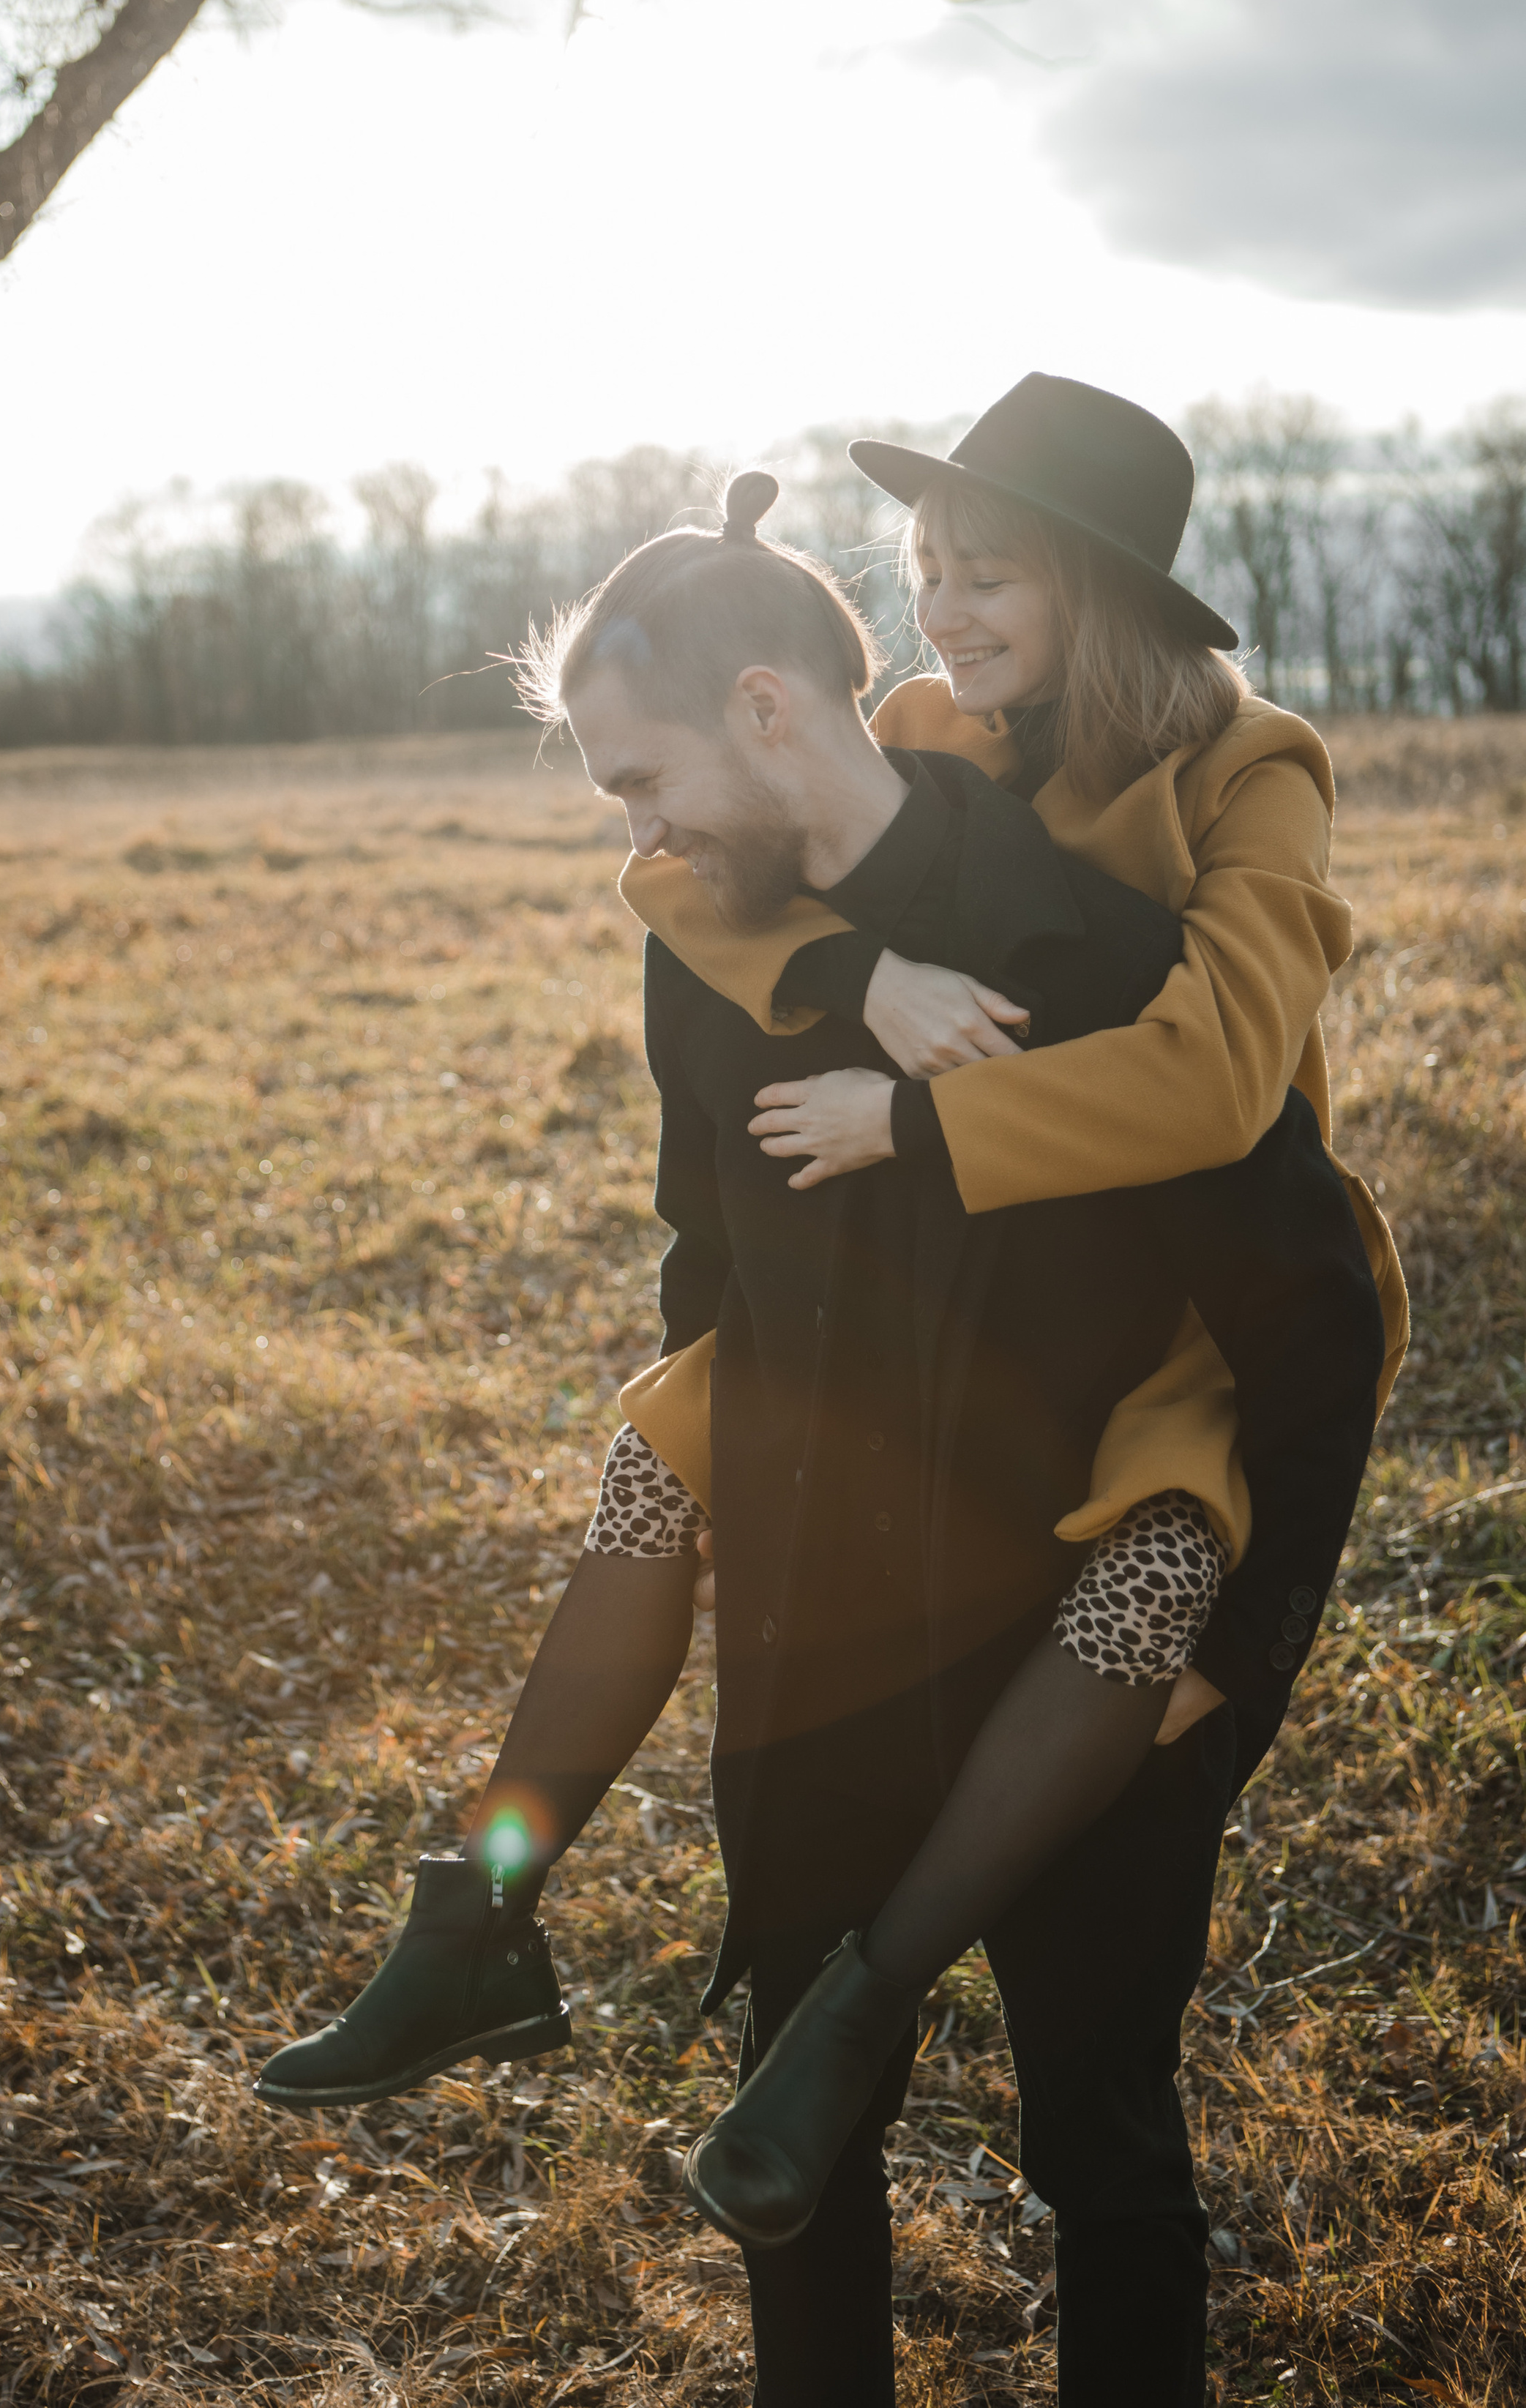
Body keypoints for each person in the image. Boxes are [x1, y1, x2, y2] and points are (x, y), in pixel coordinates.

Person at [258, 381, 1400, 2408]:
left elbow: (1220, 1076)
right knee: (657, 1453)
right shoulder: (937, 742)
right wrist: (845, 981)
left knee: (1148, 1592)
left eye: (990, 571)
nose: (944, 606)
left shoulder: (1249, 771)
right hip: (939, 1307)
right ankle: (483, 1900)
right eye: (928, 568)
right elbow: (699, 871)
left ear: (1103, 591)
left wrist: (916, 1118)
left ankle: (865, 1998)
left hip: (1185, 1310)